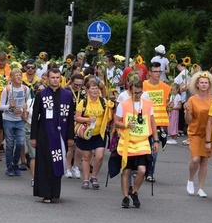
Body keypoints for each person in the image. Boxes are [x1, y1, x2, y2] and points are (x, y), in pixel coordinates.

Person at [30, 68, 76, 203]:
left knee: (57, 163)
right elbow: (35, 118)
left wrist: (70, 137)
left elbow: (70, 119)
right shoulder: (41, 95)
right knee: (45, 164)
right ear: (47, 79)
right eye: (52, 77)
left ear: (60, 78)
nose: (55, 80)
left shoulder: (67, 95)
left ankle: (55, 192)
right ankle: (45, 193)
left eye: (57, 77)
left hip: (61, 136)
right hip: (44, 135)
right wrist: (33, 136)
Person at [114, 80, 158, 208]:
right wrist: (126, 125)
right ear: (130, 91)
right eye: (135, 93)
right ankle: (125, 197)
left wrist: (156, 140)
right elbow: (116, 122)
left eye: (140, 93)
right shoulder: (123, 104)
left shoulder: (148, 104)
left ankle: (134, 191)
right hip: (127, 140)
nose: (137, 95)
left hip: (143, 141)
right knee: (126, 170)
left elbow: (153, 122)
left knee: (142, 170)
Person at [73, 77, 112, 190]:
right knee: (86, 156)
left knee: (99, 156)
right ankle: (86, 179)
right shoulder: (83, 102)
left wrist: (111, 108)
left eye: (96, 89)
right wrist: (88, 120)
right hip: (86, 133)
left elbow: (109, 116)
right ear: (87, 90)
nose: (95, 91)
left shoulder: (103, 102)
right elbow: (77, 117)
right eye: (92, 89)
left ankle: (93, 176)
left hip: (99, 133)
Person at [184, 71, 212, 198]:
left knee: (204, 161)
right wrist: (186, 110)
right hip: (195, 132)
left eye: (206, 83)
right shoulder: (192, 99)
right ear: (197, 84)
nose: (203, 85)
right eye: (201, 83)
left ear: (209, 85)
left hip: (209, 133)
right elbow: (188, 120)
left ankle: (201, 188)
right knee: (195, 159)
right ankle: (190, 180)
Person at [0, 68, 30, 177]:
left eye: (20, 75)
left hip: (20, 120)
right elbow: (0, 106)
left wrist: (22, 110)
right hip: (8, 120)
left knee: (20, 143)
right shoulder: (7, 90)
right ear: (11, 77)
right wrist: (9, 106)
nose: (19, 77)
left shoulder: (26, 89)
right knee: (10, 144)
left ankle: (15, 163)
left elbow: (28, 104)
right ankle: (9, 167)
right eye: (16, 75)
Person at [143, 61, 171, 182]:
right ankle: (139, 168)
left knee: (154, 148)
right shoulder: (143, 86)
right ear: (149, 73)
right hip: (144, 122)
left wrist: (168, 106)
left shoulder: (165, 87)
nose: (158, 74)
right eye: (155, 71)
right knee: (144, 148)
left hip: (158, 122)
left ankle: (150, 173)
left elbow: (166, 104)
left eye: (160, 71)